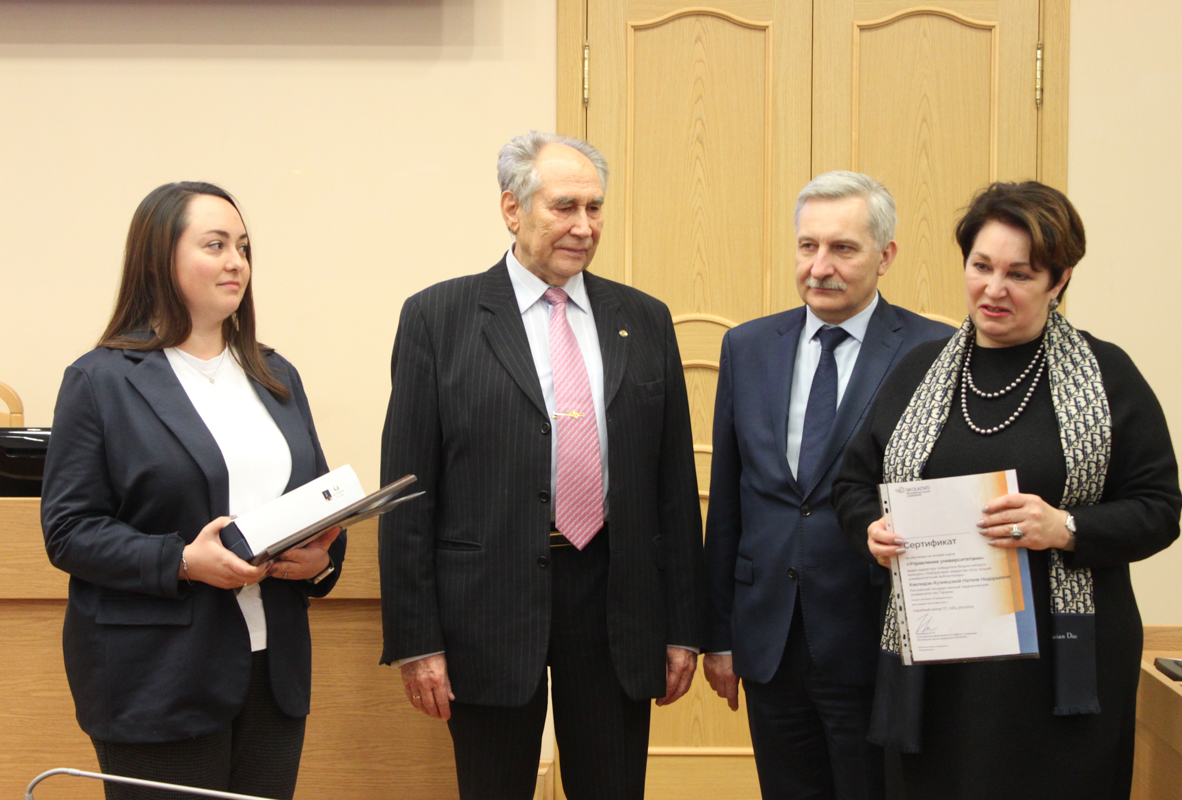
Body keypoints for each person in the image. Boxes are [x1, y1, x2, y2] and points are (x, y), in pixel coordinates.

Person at [378, 131, 705, 800]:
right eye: (564, 207)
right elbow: (408, 493)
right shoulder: (438, 318)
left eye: (594, 207)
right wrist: (416, 640)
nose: (584, 227)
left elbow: (673, 486)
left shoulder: (644, 319)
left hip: (615, 601)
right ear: (512, 208)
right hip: (487, 606)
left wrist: (684, 628)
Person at [832, 181, 1182, 799]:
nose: (993, 289)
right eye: (982, 266)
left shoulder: (1108, 375)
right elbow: (854, 482)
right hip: (938, 666)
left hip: (1061, 672)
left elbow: (1159, 509)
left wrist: (1066, 527)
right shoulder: (917, 370)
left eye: (1020, 274)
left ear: (1060, 280)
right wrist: (872, 530)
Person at [41, 182, 347, 800]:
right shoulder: (101, 380)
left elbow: (315, 500)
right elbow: (69, 531)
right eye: (216, 245)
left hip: (272, 671)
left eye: (244, 247)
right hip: (159, 679)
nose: (237, 262)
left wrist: (320, 559)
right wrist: (182, 560)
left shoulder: (276, 375)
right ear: (161, 257)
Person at [702, 171, 952, 799]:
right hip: (769, 638)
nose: (820, 267)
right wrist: (719, 636)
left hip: (874, 637)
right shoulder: (748, 346)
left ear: (885, 256)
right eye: (808, 246)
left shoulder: (934, 351)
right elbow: (728, 501)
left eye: (843, 248)